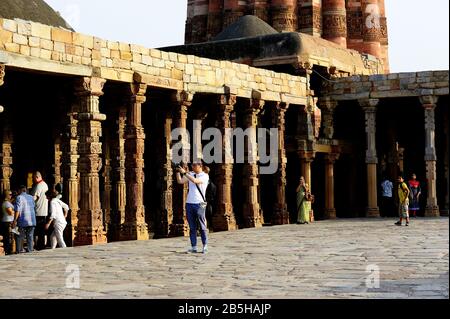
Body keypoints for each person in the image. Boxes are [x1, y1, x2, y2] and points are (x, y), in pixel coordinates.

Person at [176, 161, 210, 254]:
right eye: (192, 165)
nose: (193, 166)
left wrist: (185, 173)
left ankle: (205, 245)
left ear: (200, 166)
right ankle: (194, 246)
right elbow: (180, 181)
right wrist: (178, 172)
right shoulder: (190, 174)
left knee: (202, 225)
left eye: (194, 165)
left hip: (201, 203)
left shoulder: (205, 176)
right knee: (192, 226)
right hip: (189, 203)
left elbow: (195, 181)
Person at [13, 185, 36, 253]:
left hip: (23, 220)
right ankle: (30, 250)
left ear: (20, 190)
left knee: (20, 236)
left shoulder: (19, 197)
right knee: (30, 236)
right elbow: (34, 207)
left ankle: (19, 250)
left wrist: (15, 220)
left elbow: (17, 210)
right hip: (32, 220)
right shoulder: (31, 197)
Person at [30, 171, 49, 250]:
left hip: (38, 211)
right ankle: (41, 245)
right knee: (41, 230)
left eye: (33, 178)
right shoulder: (45, 185)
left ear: (37, 177)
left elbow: (34, 198)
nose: (32, 180)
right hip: (43, 211)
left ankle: (40, 246)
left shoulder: (39, 186)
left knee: (38, 230)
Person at [1, 190, 15, 255]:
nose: (11, 195)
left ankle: (9, 249)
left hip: (8, 221)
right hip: (7, 221)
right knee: (8, 237)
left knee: (9, 236)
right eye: (10, 194)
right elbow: (10, 212)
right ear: (6, 195)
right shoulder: (6, 203)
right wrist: (15, 212)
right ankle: (8, 250)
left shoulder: (7, 202)